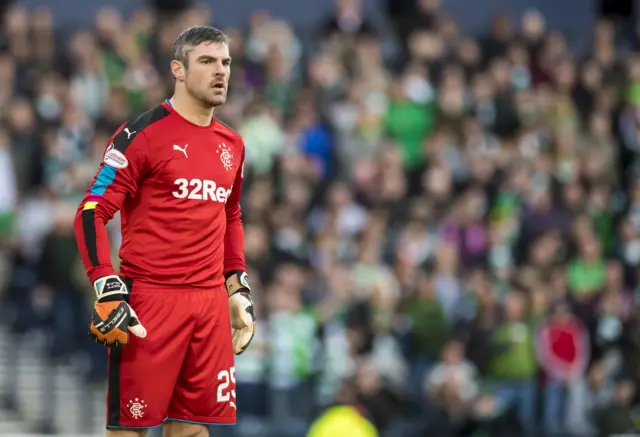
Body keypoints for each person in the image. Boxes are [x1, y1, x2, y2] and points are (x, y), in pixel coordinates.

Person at [72, 26, 256, 437]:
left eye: (225, 62)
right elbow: (90, 211)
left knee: (192, 432)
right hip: (150, 302)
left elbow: (231, 216)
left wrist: (236, 286)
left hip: (209, 306)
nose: (220, 71)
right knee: (129, 432)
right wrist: (105, 282)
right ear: (178, 68)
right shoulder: (141, 135)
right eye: (207, 61)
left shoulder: (234, 145)